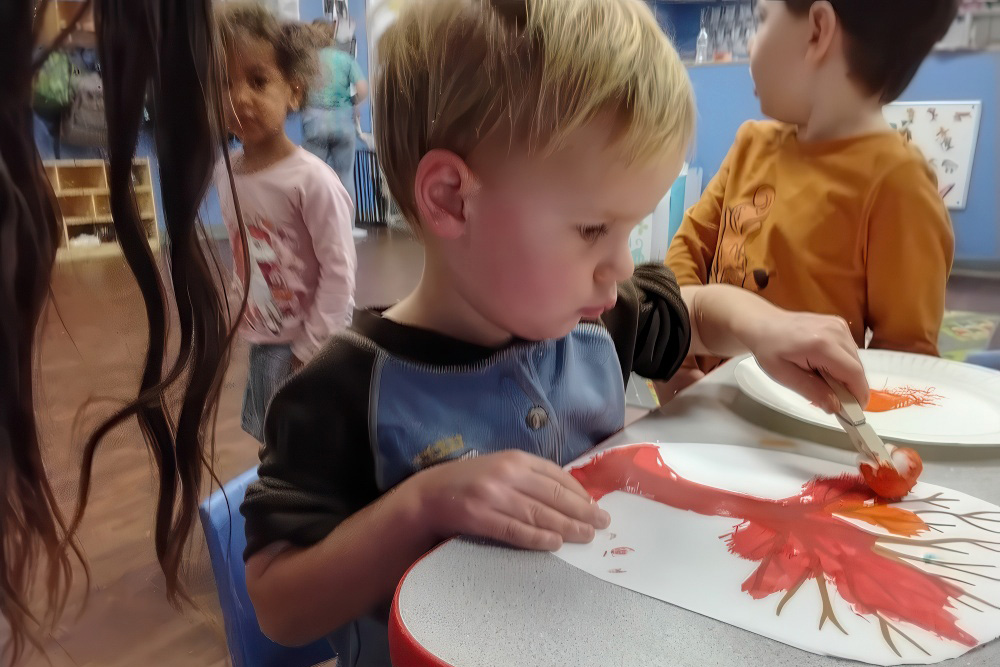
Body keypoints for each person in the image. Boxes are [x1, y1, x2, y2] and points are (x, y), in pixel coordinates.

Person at [239, 0, 870, 659]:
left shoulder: (592, 318)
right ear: (453, 198)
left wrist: (769, 329)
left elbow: (697, 311)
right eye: (594, 229)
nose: (621, 266)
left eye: (629, 229)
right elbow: (280, 606)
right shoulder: (344, 390)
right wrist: (422, 504)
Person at [666, 0, 957, 381]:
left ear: (818, 30)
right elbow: (687, 251)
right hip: (706, 402)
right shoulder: (751, 144)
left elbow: (907, 360)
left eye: (762, 20)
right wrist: (677, 365)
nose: (751, 45)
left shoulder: (898, 183)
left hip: (800, 424)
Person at [216, 4, 357, 443]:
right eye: (224, 83)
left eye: (258, 81)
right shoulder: (227, 172)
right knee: (271, 444)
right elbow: (245, 252)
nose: (239, 97)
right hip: (263, 340)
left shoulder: (311, 181)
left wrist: (309, 350)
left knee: (305, 452)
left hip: (305, 346)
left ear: (294, 92)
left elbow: (339, 274)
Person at [302, 18, 369, 216]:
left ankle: (315, 226)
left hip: (314, 123)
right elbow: (363, 89)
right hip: (342, 123)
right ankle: (347, 228)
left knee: (314, 178)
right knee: (345, 175)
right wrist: (352, 103)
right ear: (331, 36)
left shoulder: (307, 62)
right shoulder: (345, 59)